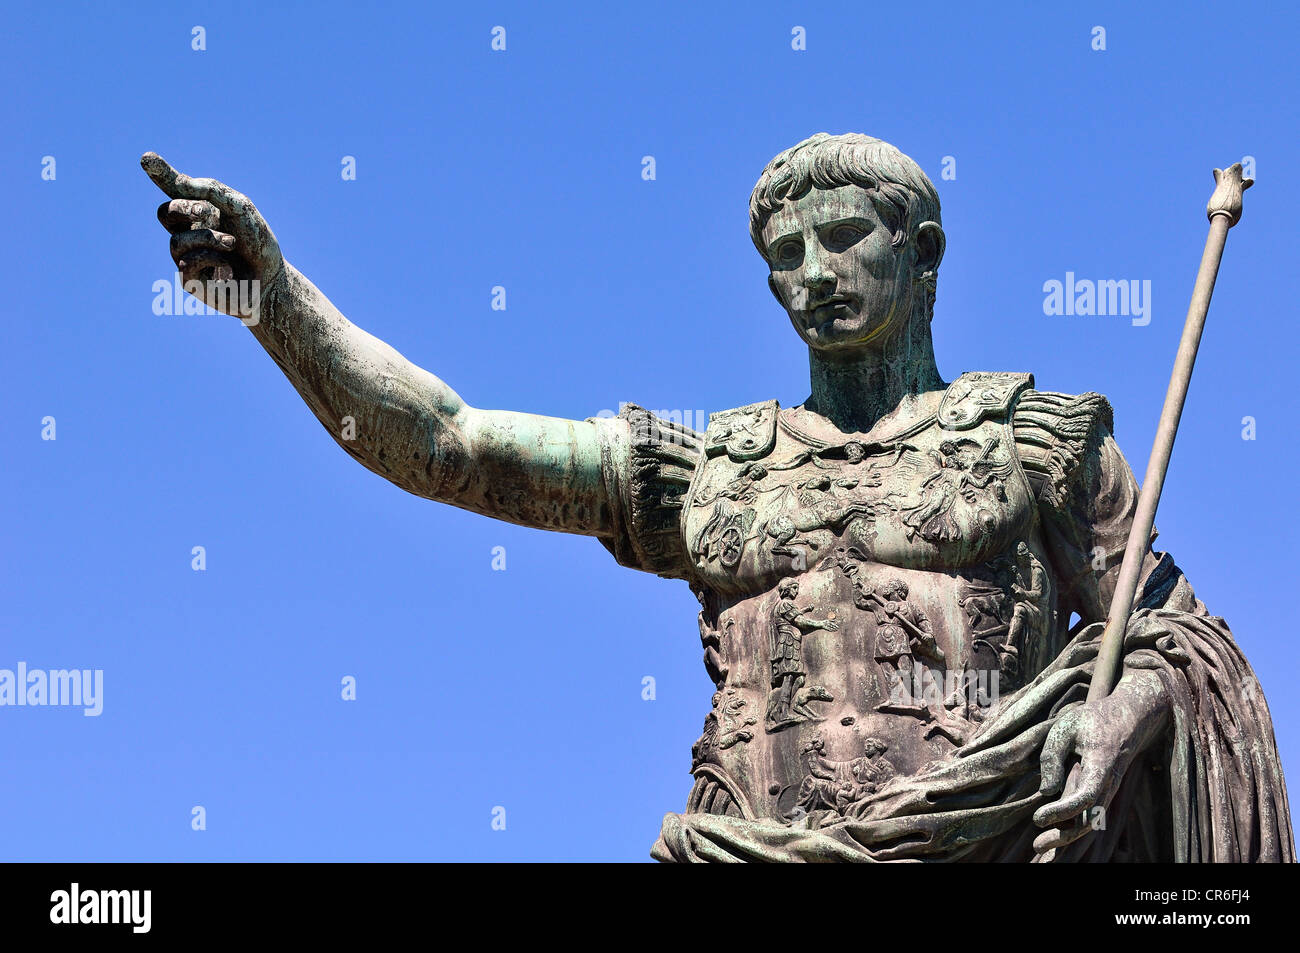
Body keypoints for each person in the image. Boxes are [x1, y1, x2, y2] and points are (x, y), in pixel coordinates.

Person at [141, 132, 1293, 862]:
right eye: (786, 254)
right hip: (746, 850)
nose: (813, 274)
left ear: (923, 251)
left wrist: (1114, 714)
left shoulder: (1027, 440)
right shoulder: (711, 463)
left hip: (978, 842)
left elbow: (1174, 634)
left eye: (844, 239)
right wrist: (271, 298)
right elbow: (449, 441)